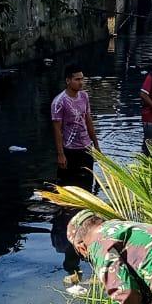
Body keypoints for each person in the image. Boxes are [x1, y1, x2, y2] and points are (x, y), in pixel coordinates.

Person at [51, 64, 100, 280]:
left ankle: (83, 217)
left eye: (82, 78)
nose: (81, 82)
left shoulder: (84, 97)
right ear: (68, 80)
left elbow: (88, 120)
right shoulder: (59, 102)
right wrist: (60, 154)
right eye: (77, 79)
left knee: (86, 188)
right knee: (67, 191)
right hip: (69, 151)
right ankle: (69, 218)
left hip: (85, 148)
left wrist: (96, 145)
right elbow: (57, 130)